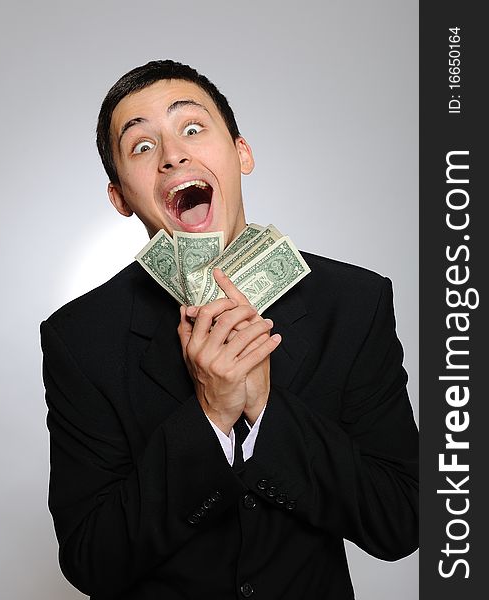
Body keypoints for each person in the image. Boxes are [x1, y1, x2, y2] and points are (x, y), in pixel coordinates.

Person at [41, 60, 418, 599]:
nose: (173, 154)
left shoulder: (354, 304)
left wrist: (267, 408)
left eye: (191, 129)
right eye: (142, 146)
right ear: (120, 198)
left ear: (242, 153)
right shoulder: (80, 339)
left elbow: (401, 519)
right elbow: (91, 560)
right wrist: (211, 415)